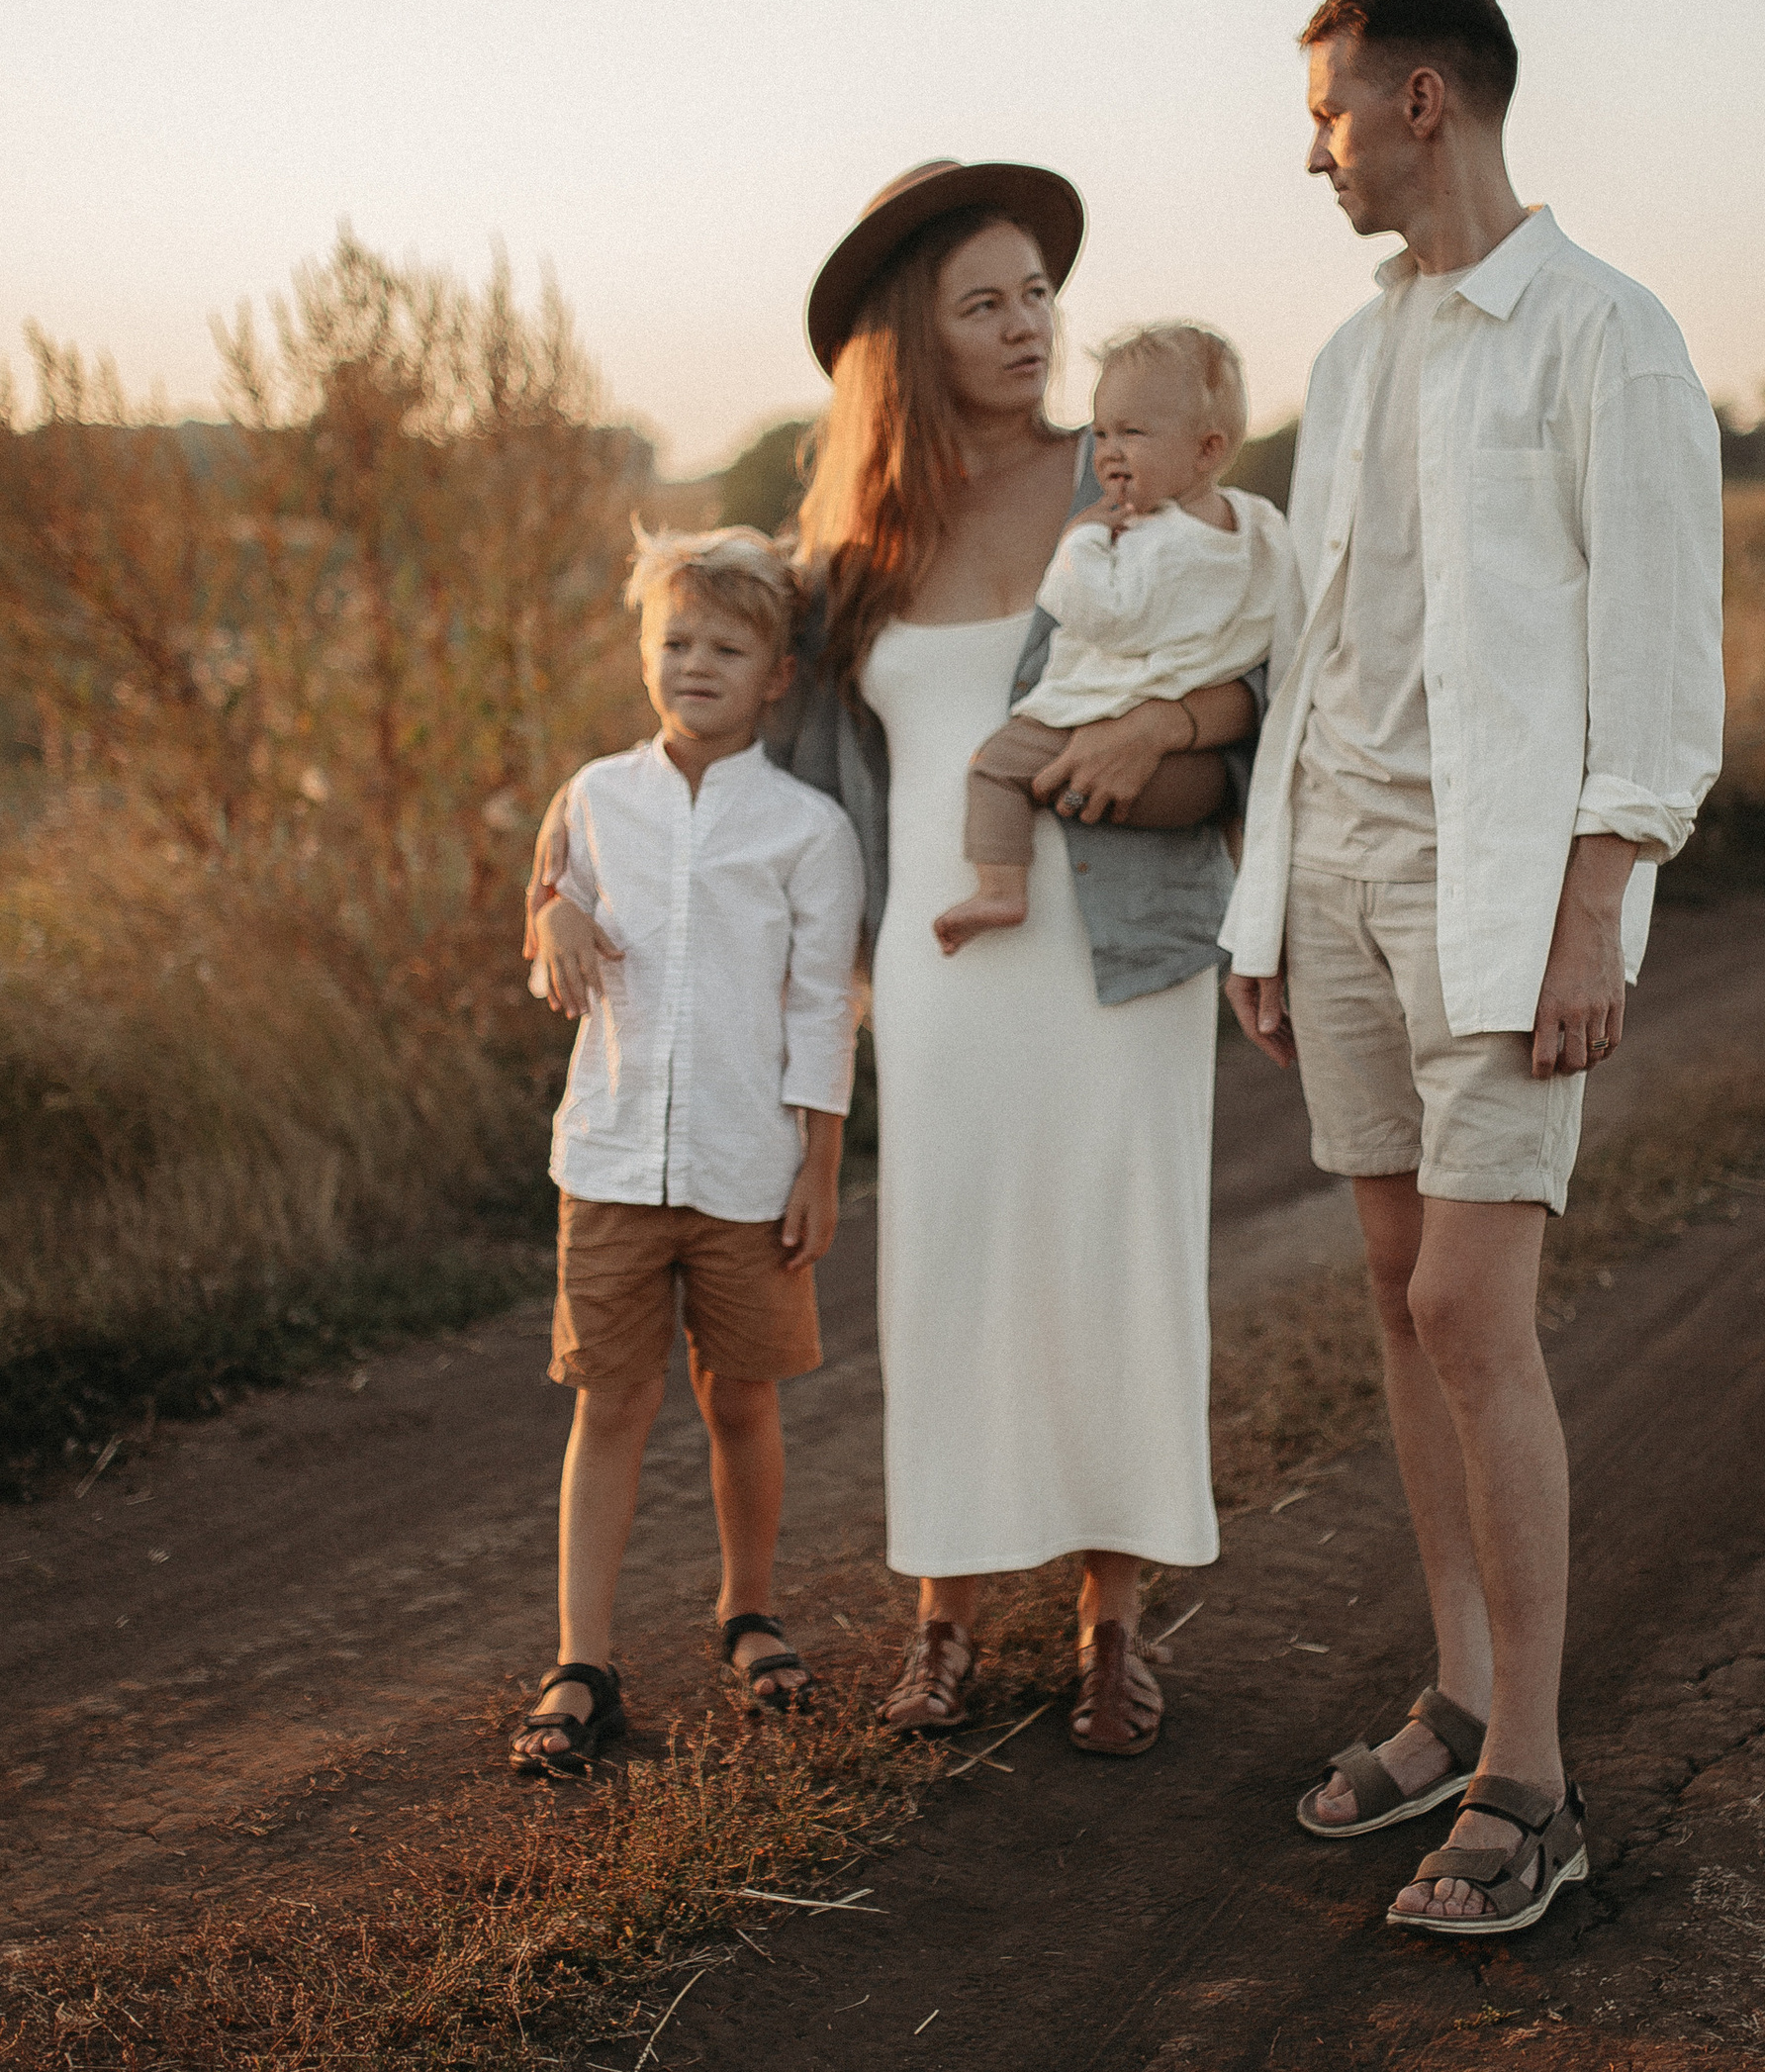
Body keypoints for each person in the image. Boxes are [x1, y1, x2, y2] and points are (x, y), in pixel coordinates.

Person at [1224, 0, 1723, 1935]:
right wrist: (1266, 900)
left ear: (1423, 100)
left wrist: (1598, 898)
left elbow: (1656, 655)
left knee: (1464, 1307)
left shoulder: (1604, 338)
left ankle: (1531, 1769)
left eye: (1329, 111)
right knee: (1380, 1280)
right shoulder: (1353, 358)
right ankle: (1445, 1691)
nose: (1314, 152)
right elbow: (1315, 645)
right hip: (1335, 870)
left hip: (1502, 891)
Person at [776, 160, 1261, 1755]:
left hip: (1120, 954)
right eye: (983, 303)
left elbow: (1262, 673)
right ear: (911, 340)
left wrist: (1174, 724)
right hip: (941, 966)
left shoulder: (1122, 482)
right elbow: (785, 787)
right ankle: (945, 1621)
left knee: (1116, 1263)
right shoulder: (855, 551)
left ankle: (1114, 1626)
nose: (1026, 327)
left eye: (1037, 294)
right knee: (955, 1269)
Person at [509, 525, 864, 1779]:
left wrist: (819, 1166)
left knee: (742, 1398)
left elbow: (823, 1007)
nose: (695, 663)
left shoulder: (808, 831)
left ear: (777, 674)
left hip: (746, 1168)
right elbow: (548, 916)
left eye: (726, 645)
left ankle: (747, 1611)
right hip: (607, 1160)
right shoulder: (595, 797)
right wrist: (549, 913)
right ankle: (580, 1659)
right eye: (674, 642)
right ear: (642, 654)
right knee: (610, 1402)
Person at [936, 321, 1292, 956]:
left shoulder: (1152, 538)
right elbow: (1277, 619)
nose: (1108, 452)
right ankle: (1255, 907)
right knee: (1230, 813)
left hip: (1097, 719)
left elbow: (1105, 618)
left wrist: (1081, 543)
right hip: (1194, 772)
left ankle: (999, 888)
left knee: (994, 770)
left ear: (1207, 450)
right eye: (1101, 432)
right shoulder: (1258, 524)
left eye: (1132, 433)